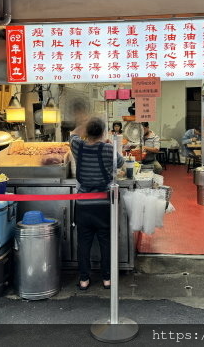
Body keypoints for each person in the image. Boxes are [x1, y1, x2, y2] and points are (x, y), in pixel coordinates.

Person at [70, 117, 124, 291]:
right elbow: (121, 163)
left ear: (87, 132)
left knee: (83, 243)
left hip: (83, 204)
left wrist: (83, 125)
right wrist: (107, 143)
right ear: (103, 132)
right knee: (105, 242)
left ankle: (84, 280)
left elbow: (73, 134)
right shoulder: (108, 149)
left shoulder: (78, 146)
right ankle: (107, 279)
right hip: (104, 204)